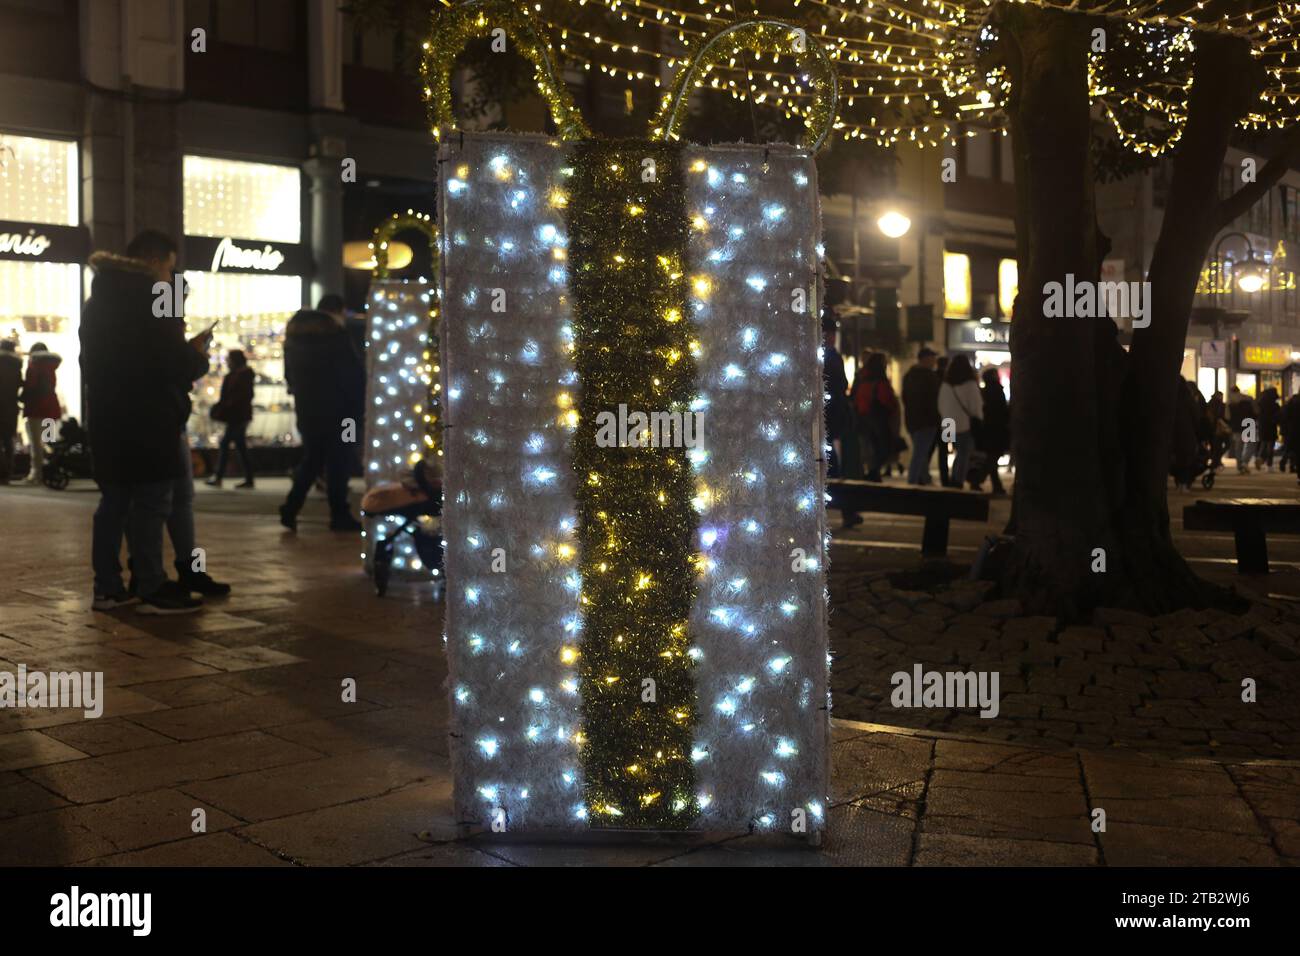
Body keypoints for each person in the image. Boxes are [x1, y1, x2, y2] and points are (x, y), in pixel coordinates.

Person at [80, 230, 209, 613]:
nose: (172, 276)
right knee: (153, 502)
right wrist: (197, 354)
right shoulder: (153, 297)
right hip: (150, 419)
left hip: (110, 418)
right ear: (154, 263)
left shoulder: (100, 298)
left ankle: (108, 587)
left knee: (115, 502)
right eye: (170, 267)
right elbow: (173, 361)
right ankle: (151, 585)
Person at [279, 293, 366, 532]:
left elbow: (289, 377)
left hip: (308, 412)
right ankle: (339, 514)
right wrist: (358, 407)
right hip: (343, 414)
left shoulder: (294, 339)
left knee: (313, 459)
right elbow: (351, 374)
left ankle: (291, 507)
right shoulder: (336, 336)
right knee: (341, 460)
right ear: (338, 311)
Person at [205, 349, 256, 488]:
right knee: (240, 446)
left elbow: (236, 397)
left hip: (237, 416)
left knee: (226, 444)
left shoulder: (239, 376)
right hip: (239, 415)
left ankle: (219, 476)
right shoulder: (242, 375)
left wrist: (226, 407)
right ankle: (248, 478)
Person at [852, 351, 899, 483]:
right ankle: (874, 473)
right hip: (878, 420)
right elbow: (886, 401)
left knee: (870, 448)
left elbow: (856, 399)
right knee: (881, 448)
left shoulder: (862, 378)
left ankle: (872, 472)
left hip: (863, 419)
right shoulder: (879, 381)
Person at [938, 354, 981, 488]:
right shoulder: (970, 384)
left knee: (951, 451)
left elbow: (940, 404)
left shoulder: (946, 384)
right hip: (963, 423)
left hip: (947, 423)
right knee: (964, 452)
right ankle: (957, 480)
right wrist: (978, 418)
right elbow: (976, 405)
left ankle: (949, 477)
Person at [20, 341, 61, 484]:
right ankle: (51, 471)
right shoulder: (51, 367)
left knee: (36, 444)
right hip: (50, 409)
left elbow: (30, 387)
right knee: (48, 442)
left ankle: (37, 473)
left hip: (36, 410)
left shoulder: (33, 366)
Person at [901, 347, 940, 485]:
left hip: (912, 420)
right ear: (926, 359)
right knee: (920, 453)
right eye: (933, 358)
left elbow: (904, 398)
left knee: (920, 451)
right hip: (928, 421)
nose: (935, 361)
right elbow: (935, 400)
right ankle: (912, 480)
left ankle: (925, 478)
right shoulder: (930, 376)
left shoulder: (908, 376)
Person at [969, 367, 1010, 495]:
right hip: (997, 430)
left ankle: (995, 485)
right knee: (992, 458)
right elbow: (1002, 412)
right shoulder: (998, 391)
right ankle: (978, 480)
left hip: (986, 430)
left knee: (991, 457)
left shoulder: (983, 391)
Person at [0, 340, 20, 484]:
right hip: (11, 407)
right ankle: (7, 474)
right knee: (8, 440)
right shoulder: (17, 364)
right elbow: (19, 383)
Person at [1228, 385, 1257, 473]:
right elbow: (1255, 411)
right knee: (1251, 445)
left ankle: (1239, 466)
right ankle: (1245, 462)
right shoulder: (1248, 399)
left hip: (1236, 426)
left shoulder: (1230, 402)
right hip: (1249, 424)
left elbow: (1227, 416)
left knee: (1238, 447)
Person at [931, 354, 951, 486]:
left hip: (935, 418)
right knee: (944, 450)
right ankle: (945, 479)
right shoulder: (950, 379)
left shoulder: (933, 377)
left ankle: (923, 475)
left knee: (931, 448)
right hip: (948, 419)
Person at [1257, 386, 1280, 471]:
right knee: (1270, 446)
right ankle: (1269, 465)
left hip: (1262, 426)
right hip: (1271, 427)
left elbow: (1257, 414)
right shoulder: (1275, 405)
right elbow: (1278, 416)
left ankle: (1259, 458)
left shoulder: (1261, 403)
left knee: (1263, 443)